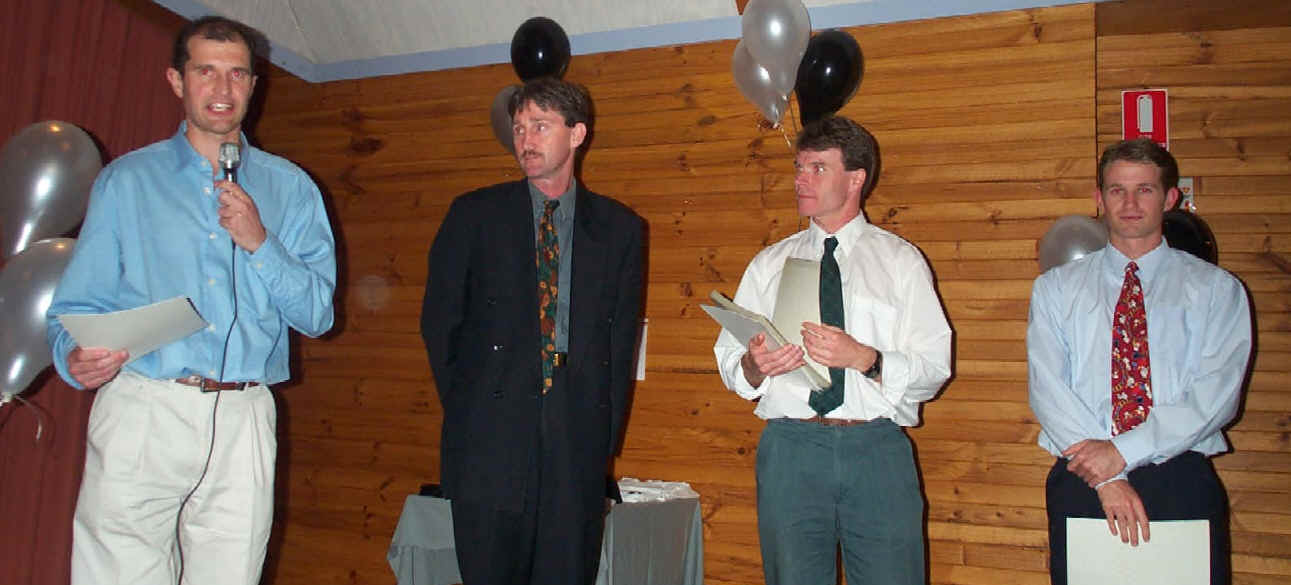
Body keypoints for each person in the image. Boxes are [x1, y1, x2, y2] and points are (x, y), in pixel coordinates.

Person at [44, 15, 337, 585]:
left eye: (237, 74)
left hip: (244, 415)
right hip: (145, 407)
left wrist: (260, 243)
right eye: (206, 72)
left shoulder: (292, 188)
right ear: (177, 80)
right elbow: (73, 308)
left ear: (254, 85)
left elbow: (317, 315)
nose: (223, 89)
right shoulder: (127, 181)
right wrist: (72, 357)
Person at [420, 77, 644, 585]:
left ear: (577, 134)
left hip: (576, 438)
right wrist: (472, 408)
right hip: (488, 438)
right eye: (518, 128)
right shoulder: (474, 215)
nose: (525, 139)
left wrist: (601, 439)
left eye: (540, 126)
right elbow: (439, 324)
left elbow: (619, 343)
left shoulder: (620, 229)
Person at [713, 116, 951, 585]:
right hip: (790, 450)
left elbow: (934, 368)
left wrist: (865, 359)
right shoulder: (769, 264)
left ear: (856, 178)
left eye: (818, 168)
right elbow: (729, 362)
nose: (801, 179)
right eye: (799, 167)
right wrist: (754, 365)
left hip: (875, 449)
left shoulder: (900, 262)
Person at [1027, 138, 1250, 584]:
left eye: (1144, 189)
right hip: (1082, 476)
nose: (1129, 204)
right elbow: (1047, 388)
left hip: (1179, 475)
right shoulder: (1056, 288)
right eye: (1117, 190)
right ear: (1099, 198)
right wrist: (1106, 476)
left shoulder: (1216, 290)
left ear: (1170, 198)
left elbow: (1215, 397)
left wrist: (1121, 453)